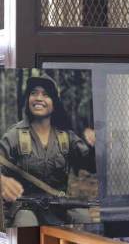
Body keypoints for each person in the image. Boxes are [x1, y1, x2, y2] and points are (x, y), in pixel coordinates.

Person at [0, 75, 96, 227]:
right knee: (26, 223)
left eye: (46, 94)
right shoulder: (14, 136)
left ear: (54, 103)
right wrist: (3, 181)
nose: (38, 98)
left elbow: (91, 165)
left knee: (84, 217)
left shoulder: (66, 137)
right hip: (24, 208)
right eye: (34, 93)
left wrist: (95, 147)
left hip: (58, 207)